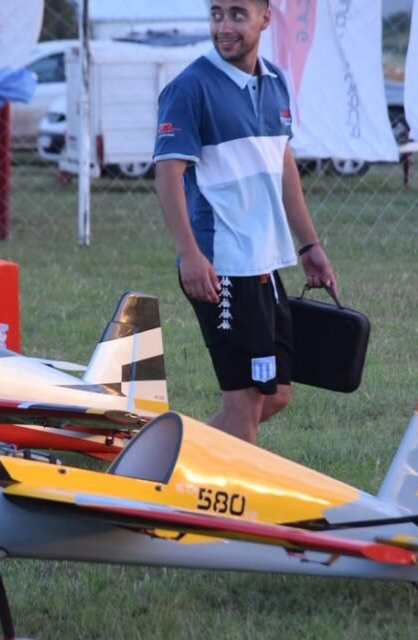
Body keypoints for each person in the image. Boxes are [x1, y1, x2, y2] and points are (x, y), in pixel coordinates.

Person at [153, 0, 336, 445]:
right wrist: (190, 255)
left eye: (237, 14)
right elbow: (167, 174)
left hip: (264, 263)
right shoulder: (189, 88)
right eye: (216, 14)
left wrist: (310, 245)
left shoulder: (275, 82)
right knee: (244, 411)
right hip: (222, 265)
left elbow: (283, 164)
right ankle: (169, 470)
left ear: (265, 18)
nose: (224, 26)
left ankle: (161, 456)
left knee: (276, 395)